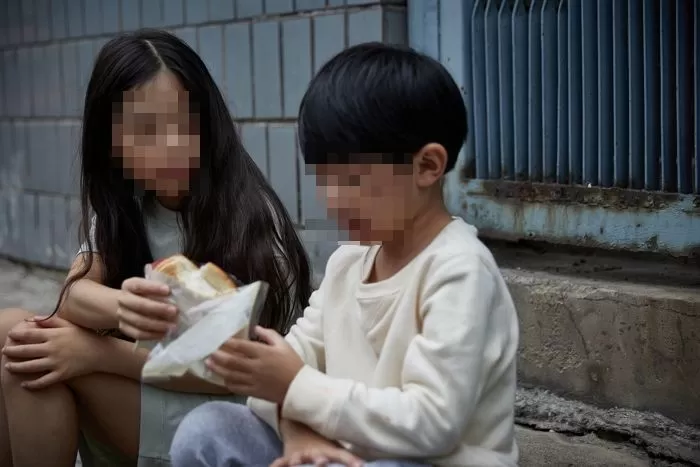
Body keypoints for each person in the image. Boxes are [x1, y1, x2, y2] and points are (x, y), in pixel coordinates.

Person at [168, 42, 520, 467]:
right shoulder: (348, 263)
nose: (333, 200)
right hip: (338, 453)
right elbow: (275, 374)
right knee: (207, 430)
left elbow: (432, 424)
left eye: (352, 180)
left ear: (427, 166)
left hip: (423, 461)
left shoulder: (459, 270)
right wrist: (297, 433)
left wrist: (294, 388)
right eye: (324, 179)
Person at [0, 29, 312, 467]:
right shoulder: (127, 206)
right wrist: (120, 306)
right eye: (146, 132)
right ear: (111, 143)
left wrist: (95, 352)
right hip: (147, 386)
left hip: (221, 415)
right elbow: (73, 295)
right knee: (13, 329)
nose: (171, 147)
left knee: (30, 363)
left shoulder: (249, 217)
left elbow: (232, 373)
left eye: (185, 125)